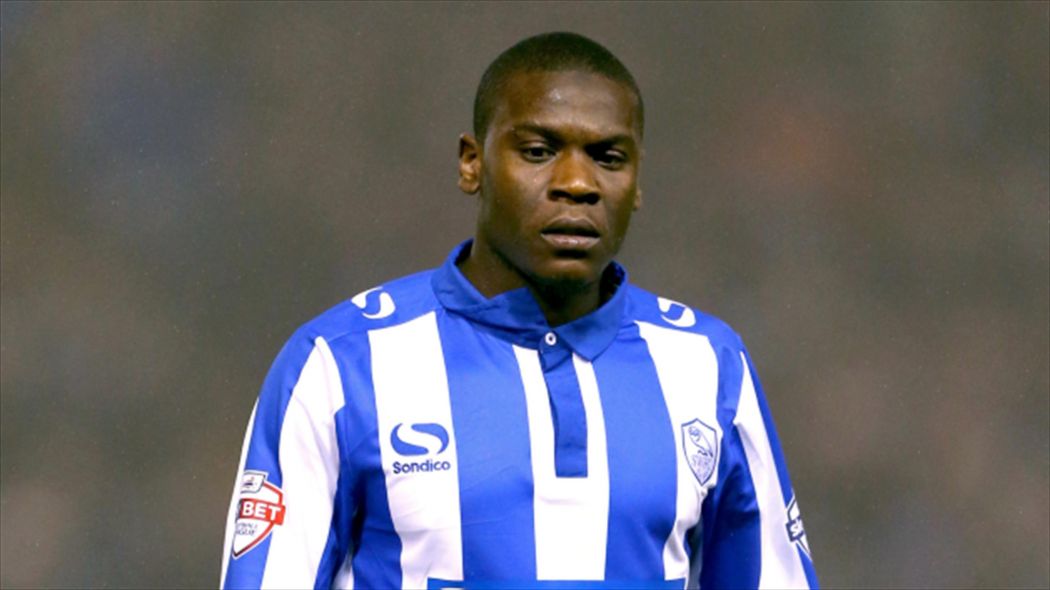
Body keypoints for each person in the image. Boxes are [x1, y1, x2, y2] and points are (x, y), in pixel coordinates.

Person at [220, 31, 817, 590]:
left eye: (609, 157)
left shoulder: (707, 365)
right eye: (538, 151)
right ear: (472, 163)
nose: (577, 183)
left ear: (637, 182)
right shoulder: (342, 363)